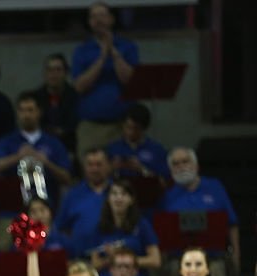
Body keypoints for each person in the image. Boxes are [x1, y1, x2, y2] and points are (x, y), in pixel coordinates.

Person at [158, 147, 241, 276]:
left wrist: (236, 252)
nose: (181, 166)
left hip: (214, 255)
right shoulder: (167, 195)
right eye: (176, 164)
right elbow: (162, 230)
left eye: (185, 161)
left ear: (196, 165)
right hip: (178, 256)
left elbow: (231, 223)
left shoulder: (214, 187)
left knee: (218, 270)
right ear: (171, 170)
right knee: (170, 270)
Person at [71, 1, 139, 160]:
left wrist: (113, 51)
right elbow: (79, 87)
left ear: (111, 19)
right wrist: (102, 57)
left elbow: (131, 81)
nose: (98, 20)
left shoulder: (127, 47)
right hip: (91, 126)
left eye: (102, 15)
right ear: (89, 22)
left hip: (122, 125)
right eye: (93, 17)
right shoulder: (82, 50)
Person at [0, 91, 72, 193]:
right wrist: (18, 156)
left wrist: (47, 163)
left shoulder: (53, 143)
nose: (26, 115)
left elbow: (67, 178)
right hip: (14, 199)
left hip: (47, 201)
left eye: (30, 110)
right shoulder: (7, 141)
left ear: (39, 112)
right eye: (22, 110)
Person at [52, 147, 112, 258]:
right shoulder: (72, 195)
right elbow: (61, 227)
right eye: (90, 165)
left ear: (108, 165)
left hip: (113, 261)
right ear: (84, 167)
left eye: (99, 164)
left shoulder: (118, 192)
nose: (94, 169)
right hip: (81, 260)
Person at [91, 179, 160, 273]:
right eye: (114, 194)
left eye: (123, 194)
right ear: (108, 199)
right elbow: (95, 264)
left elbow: (155, 260)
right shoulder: (100, 227)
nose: (118, 198)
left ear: (131, 199)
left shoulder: (142, 225)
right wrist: (112, 259)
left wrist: (126, 259)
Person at [106, 103, 169, 180]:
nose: (131, 132)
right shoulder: (112, 148)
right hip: (118, 188)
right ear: (122, 125)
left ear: (144, 128)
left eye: (136, 128)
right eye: (128, 127)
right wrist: (112, 168)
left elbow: (165, 180)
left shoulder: (157, 150)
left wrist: (142, 169)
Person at [32, 53, 79, 155]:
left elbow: (74, 124)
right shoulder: (35, 97)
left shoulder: (75, 96)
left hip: (69, 145)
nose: (54, 74)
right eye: (50, 70)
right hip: (40, 144)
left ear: (66, 73)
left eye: (58, 70)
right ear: (44, 73)